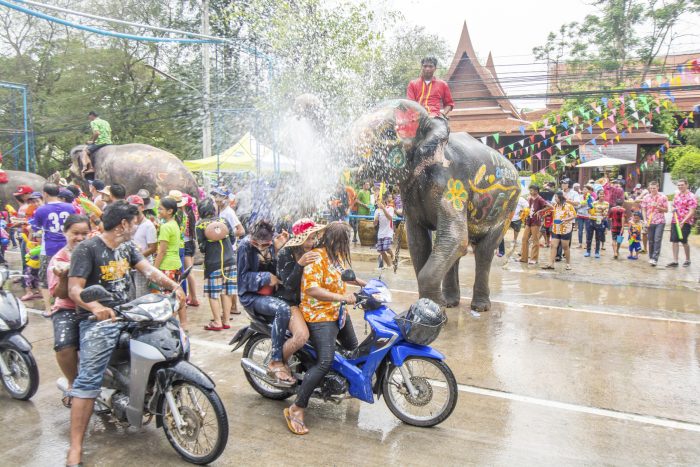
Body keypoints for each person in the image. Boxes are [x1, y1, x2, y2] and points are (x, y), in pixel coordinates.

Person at [65, 201, 185, 467]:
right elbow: (75, 289)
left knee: (169, 340)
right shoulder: (88, 249)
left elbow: (149, 270)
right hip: (98, 321)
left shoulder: (128, 247)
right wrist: (95, 307)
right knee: (88, 381)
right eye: (136, 221)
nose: (139, 225)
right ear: (123, 224)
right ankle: (75, 449)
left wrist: (174, 285)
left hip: (129, 312)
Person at [284, 222, 366, 435]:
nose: (343, 246)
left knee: (353, 349)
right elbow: (311, 288)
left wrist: (368, 286)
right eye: (341, 242)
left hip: (337, 312)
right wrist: (342, 297)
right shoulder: (315, 257)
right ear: (331, 240)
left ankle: (339, 386)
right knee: (325, 361)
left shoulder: (335, 255)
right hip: (319, 314)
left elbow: (346, 274)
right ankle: (296, 407)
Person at [237, 221, 294, 384]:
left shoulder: (274, 243)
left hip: (273, 293)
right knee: (282, 309)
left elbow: (283, 271)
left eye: (266, 244)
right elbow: (242, 279)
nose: (261, 247)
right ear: (252, 239)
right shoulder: (244, 247)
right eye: (257, 244)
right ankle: (276, 360)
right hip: (252, 296)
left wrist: (280, 250)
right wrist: (265, 278)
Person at [47, 214, 90, 407]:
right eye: (75, 233)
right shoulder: (58, 259)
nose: (80, 238)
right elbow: (60, 294)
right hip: (69, 308)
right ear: (65, 233)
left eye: (84, 233)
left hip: (93, 305)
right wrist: (64, 277)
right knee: (64, 345)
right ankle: (73, 383)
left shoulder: (95, 252)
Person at [275, 219, 325, 364]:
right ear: (299, 238)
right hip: (290, 302)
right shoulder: (286, 253)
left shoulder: (314, 250)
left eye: (313, 237)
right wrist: (300, 264)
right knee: (301, 336)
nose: (312, 242)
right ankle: (277, 363)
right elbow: (289, 285)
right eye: (308, 238)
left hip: (310, 300)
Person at [31, 183, 77, 317]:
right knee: (71, 275)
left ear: (45, 194)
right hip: (68, 247)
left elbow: (37, 227)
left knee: (45, 279)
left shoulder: (41, 210)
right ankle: (71, 305)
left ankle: (48, 308)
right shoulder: (70, 207)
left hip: (49, 248)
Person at [195, 198, 238, 331]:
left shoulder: (200, 225)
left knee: (213, 293)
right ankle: (226, 321)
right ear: (213, 210)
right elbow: (232, 239)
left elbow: (202, 247)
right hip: (230, 260)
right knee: (226, 292)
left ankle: (217, 322)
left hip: (213, 263)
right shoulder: (223, 220)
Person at [153, 198, 186, 327]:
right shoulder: (174, 224)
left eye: (161, 209)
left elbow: (162, 251)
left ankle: (170, 324)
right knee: (177, 294)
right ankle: (183, 324)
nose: (158, 211)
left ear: (170, 211)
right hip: (175, 263)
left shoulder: (166, 227)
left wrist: (154, 270)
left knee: (169, 299)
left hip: (167, 266)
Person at [169, 190, 200, 307]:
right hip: (189, 243)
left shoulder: (179, 216)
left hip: (184, 245)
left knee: (185, 273)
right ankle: (191, 297)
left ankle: (190, 298)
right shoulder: (189, 214)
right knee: (187, 272)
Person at [127, 195, 158, 297]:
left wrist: (136, 259)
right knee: (131, 297)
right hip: (130, 266)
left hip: (143, 266)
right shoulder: (129, 224)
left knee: (141, 296)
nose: (133, 210)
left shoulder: (148, 225)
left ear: (142, 207)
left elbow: (153, 248)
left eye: (136, 207)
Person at [542, 191, 576, 270]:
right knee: (553, 246)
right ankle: (551, 264)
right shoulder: (555, 206)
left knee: (565, 246)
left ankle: (568, 264)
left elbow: (574, 215)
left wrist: (566, 219)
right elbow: (550, 208)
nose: (555, 199)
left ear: (560, 197)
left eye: (556, 197)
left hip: (565, 229)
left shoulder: (568, 206)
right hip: (555, 228)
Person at [667, 179, 697, 267]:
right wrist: (672, 209)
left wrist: (683, 221)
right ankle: (675, 261)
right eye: (679, 185)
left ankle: (688, 260)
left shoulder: (691, 196)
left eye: (682, 185)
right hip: (675, 220)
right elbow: (673, 205)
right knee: (674, 240)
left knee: (684, 241)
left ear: (687, 185)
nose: (680, 186)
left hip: (686, 222)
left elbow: (692, 211)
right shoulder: (677, 195)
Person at [520, 185, 550, 265]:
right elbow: (530, 208)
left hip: (536, 221)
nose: (530, 192)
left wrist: (540, 211)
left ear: (536, 191)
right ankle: (524, 258)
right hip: (529, 220)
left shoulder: (540, 199)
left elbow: (549, 206)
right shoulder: (529, 198)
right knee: (524, 239)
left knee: (535, 240)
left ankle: (534, 259)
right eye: (530, 190)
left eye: (532, 190)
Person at [641, 181, 668, 267]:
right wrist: (645, 219)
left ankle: (655, 258)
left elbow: (666, 210)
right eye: (651, 188)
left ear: (658, 188)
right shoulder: (646, 197)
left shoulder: (663, 197)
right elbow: (644, 209)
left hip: (660, 221)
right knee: (651, 240)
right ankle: (651, 256)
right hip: (649, 221)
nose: (652, 190)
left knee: (657, 239)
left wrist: (658, 206)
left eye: (654, 188)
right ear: (649, 188)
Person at [81, 111, 112, 176]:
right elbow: (109, 132)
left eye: (89, 116)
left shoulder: (93, 122)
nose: (89, 118)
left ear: (92, 115)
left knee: (84, 151)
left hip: (100, 142)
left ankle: (90, 168)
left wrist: (92, 141)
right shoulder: (105, 122)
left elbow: (97, 133)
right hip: (109, 142)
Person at [585, 189, 609, 259]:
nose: (602, 195)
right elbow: (590, 212)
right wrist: (590, 207)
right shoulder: (593, 203)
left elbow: (605, 213)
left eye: (603, 194)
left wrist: (595, 212)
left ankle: (597, 252)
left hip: (599, 221)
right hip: (591, 220)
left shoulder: (606, 203)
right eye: (600, 194)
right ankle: (588, 251)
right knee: (589, 237)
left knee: (598, 237)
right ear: (598, 195)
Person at [374, 194, 395, 270]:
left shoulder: (390, 208)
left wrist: (383, 209)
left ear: (385, 201)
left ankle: (392, 255)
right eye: (378, 201)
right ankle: (389, 265)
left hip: (388, 232)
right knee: (381, 250)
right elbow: (374, 224)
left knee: (386, 248)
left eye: (380, 201)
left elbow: (390, 218)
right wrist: (376, 220)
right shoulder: (377, 211)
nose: (379, 203)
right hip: (380, 233)